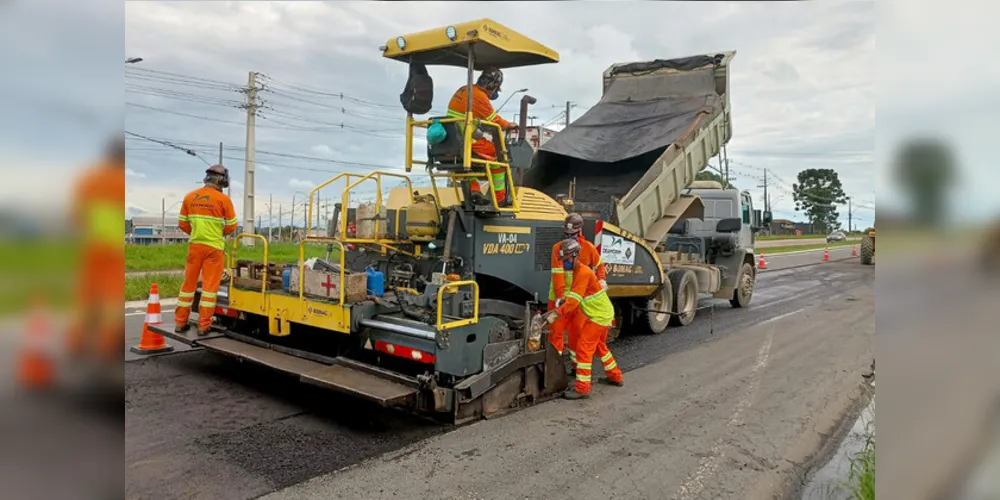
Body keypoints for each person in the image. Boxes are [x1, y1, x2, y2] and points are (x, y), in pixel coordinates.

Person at [68, 134, 126, 362]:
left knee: (86, 297)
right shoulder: (121, 182)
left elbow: (75, 215)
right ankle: (106, 345)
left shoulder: (89, 179)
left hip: (89, 247)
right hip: (113, 250)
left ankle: (77, 341)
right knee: (111, 299)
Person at [544, 238, 623, 400]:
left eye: (565, 260)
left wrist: (555, 314)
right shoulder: (578, 271)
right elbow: (574, 297)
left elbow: (573, 302)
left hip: (598, 316)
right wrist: (559, 306)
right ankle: (615, 376)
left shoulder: (582, 273)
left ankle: (582, 388)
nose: (564, 263)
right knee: (600, 346)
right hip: (601, 313)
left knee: (583, 348)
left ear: (574, 256)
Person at [175, 165, 238, 335]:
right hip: (214, 249)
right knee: (210, 288)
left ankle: (180, 323)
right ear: (222, 180)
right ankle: (204, 326)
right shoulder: (223, 200)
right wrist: (218, 233)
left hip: (195, 246)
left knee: (188, 285)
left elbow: (182, 223)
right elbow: (232, 225)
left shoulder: (189, 197)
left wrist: (195, 233)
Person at [446, 66, 517, 206]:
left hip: (451, 141)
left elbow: (473, 117)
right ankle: (500, 198)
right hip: (467, 141)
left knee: (467, 164)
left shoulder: (463, 89)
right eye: (496, 88)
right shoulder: (478, 96)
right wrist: (509, 125)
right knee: (500, 156)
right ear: (493, 85)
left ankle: (475, 190)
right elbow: (494, 120)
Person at [547, 213, 607, 367]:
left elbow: (600, 265)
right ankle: (555, 369)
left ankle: (576, 367)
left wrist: (601, 280)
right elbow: (557, 273)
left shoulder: (588, 248)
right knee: (555, 334)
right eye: (566, 234)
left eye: (572, 234)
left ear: (579, 231)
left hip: (578, 301)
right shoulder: (558, 249)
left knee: (577, 335)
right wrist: (560, 296)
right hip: (559, 299)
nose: (569, 237)